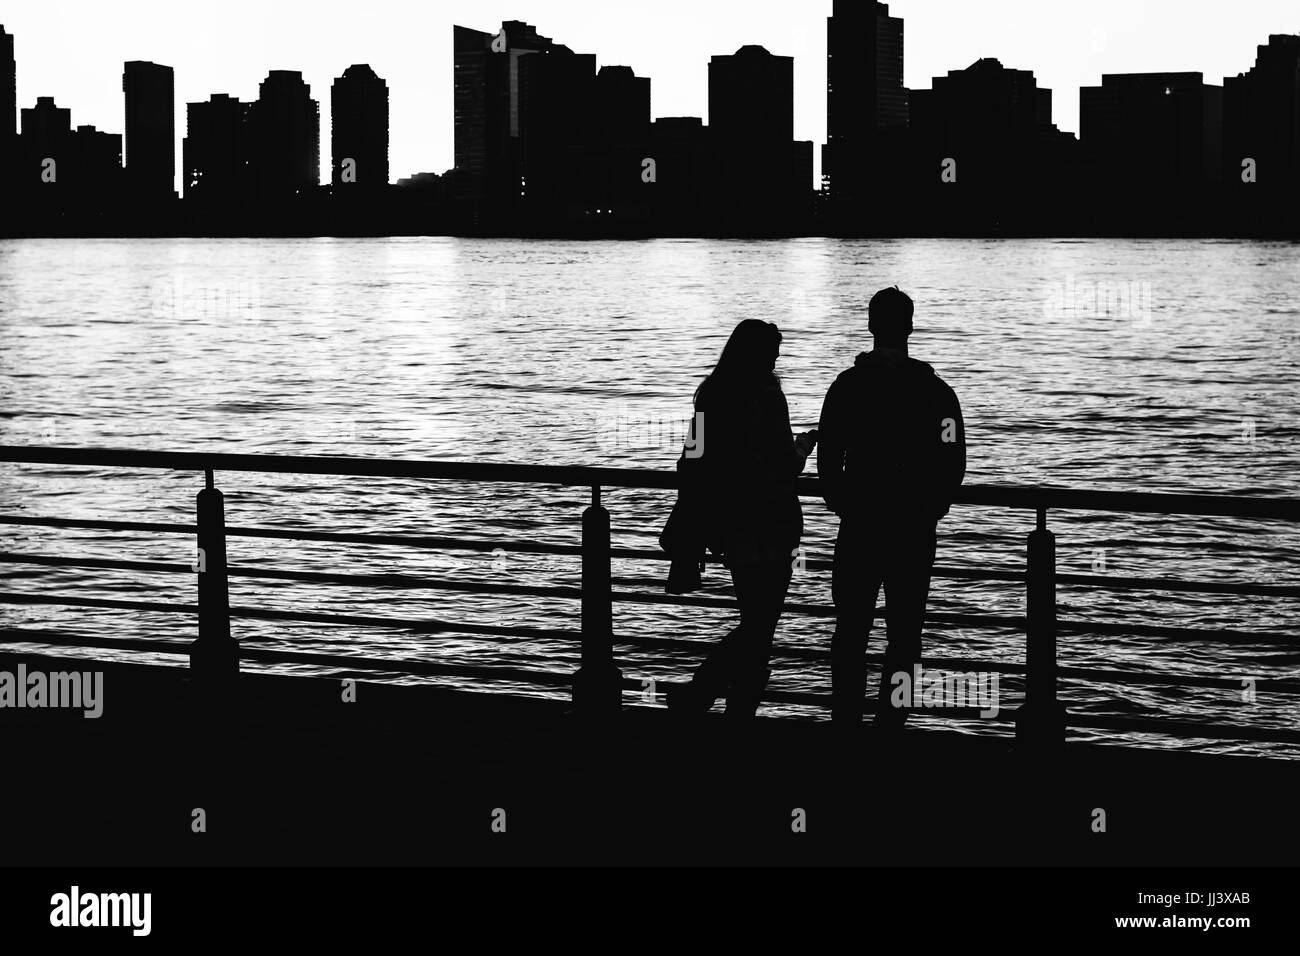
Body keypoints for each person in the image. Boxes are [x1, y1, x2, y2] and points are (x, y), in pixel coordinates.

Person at [818, 287, 965, 730]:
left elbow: (829, 458)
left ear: (870, 325)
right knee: (905, 635)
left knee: (850, 630)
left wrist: (845, 505)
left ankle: (845, 719)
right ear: (910, 327)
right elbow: (952, 459)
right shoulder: (937, 392)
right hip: (912, 528)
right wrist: (929, 509)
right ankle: (892, 722)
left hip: (860, 525)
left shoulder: (846, 387)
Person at [666, 320, 817, 719]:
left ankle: (718, 700)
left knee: (755, 618)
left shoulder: (711, 393)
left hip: (731, 524)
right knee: (761, 624)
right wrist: (802, 446)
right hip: (773, 521)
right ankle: (711, 697)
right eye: (773, 351)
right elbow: (783, 466)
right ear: (760, 354)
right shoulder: (768, 395)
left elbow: (691, 459)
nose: (778, 358)